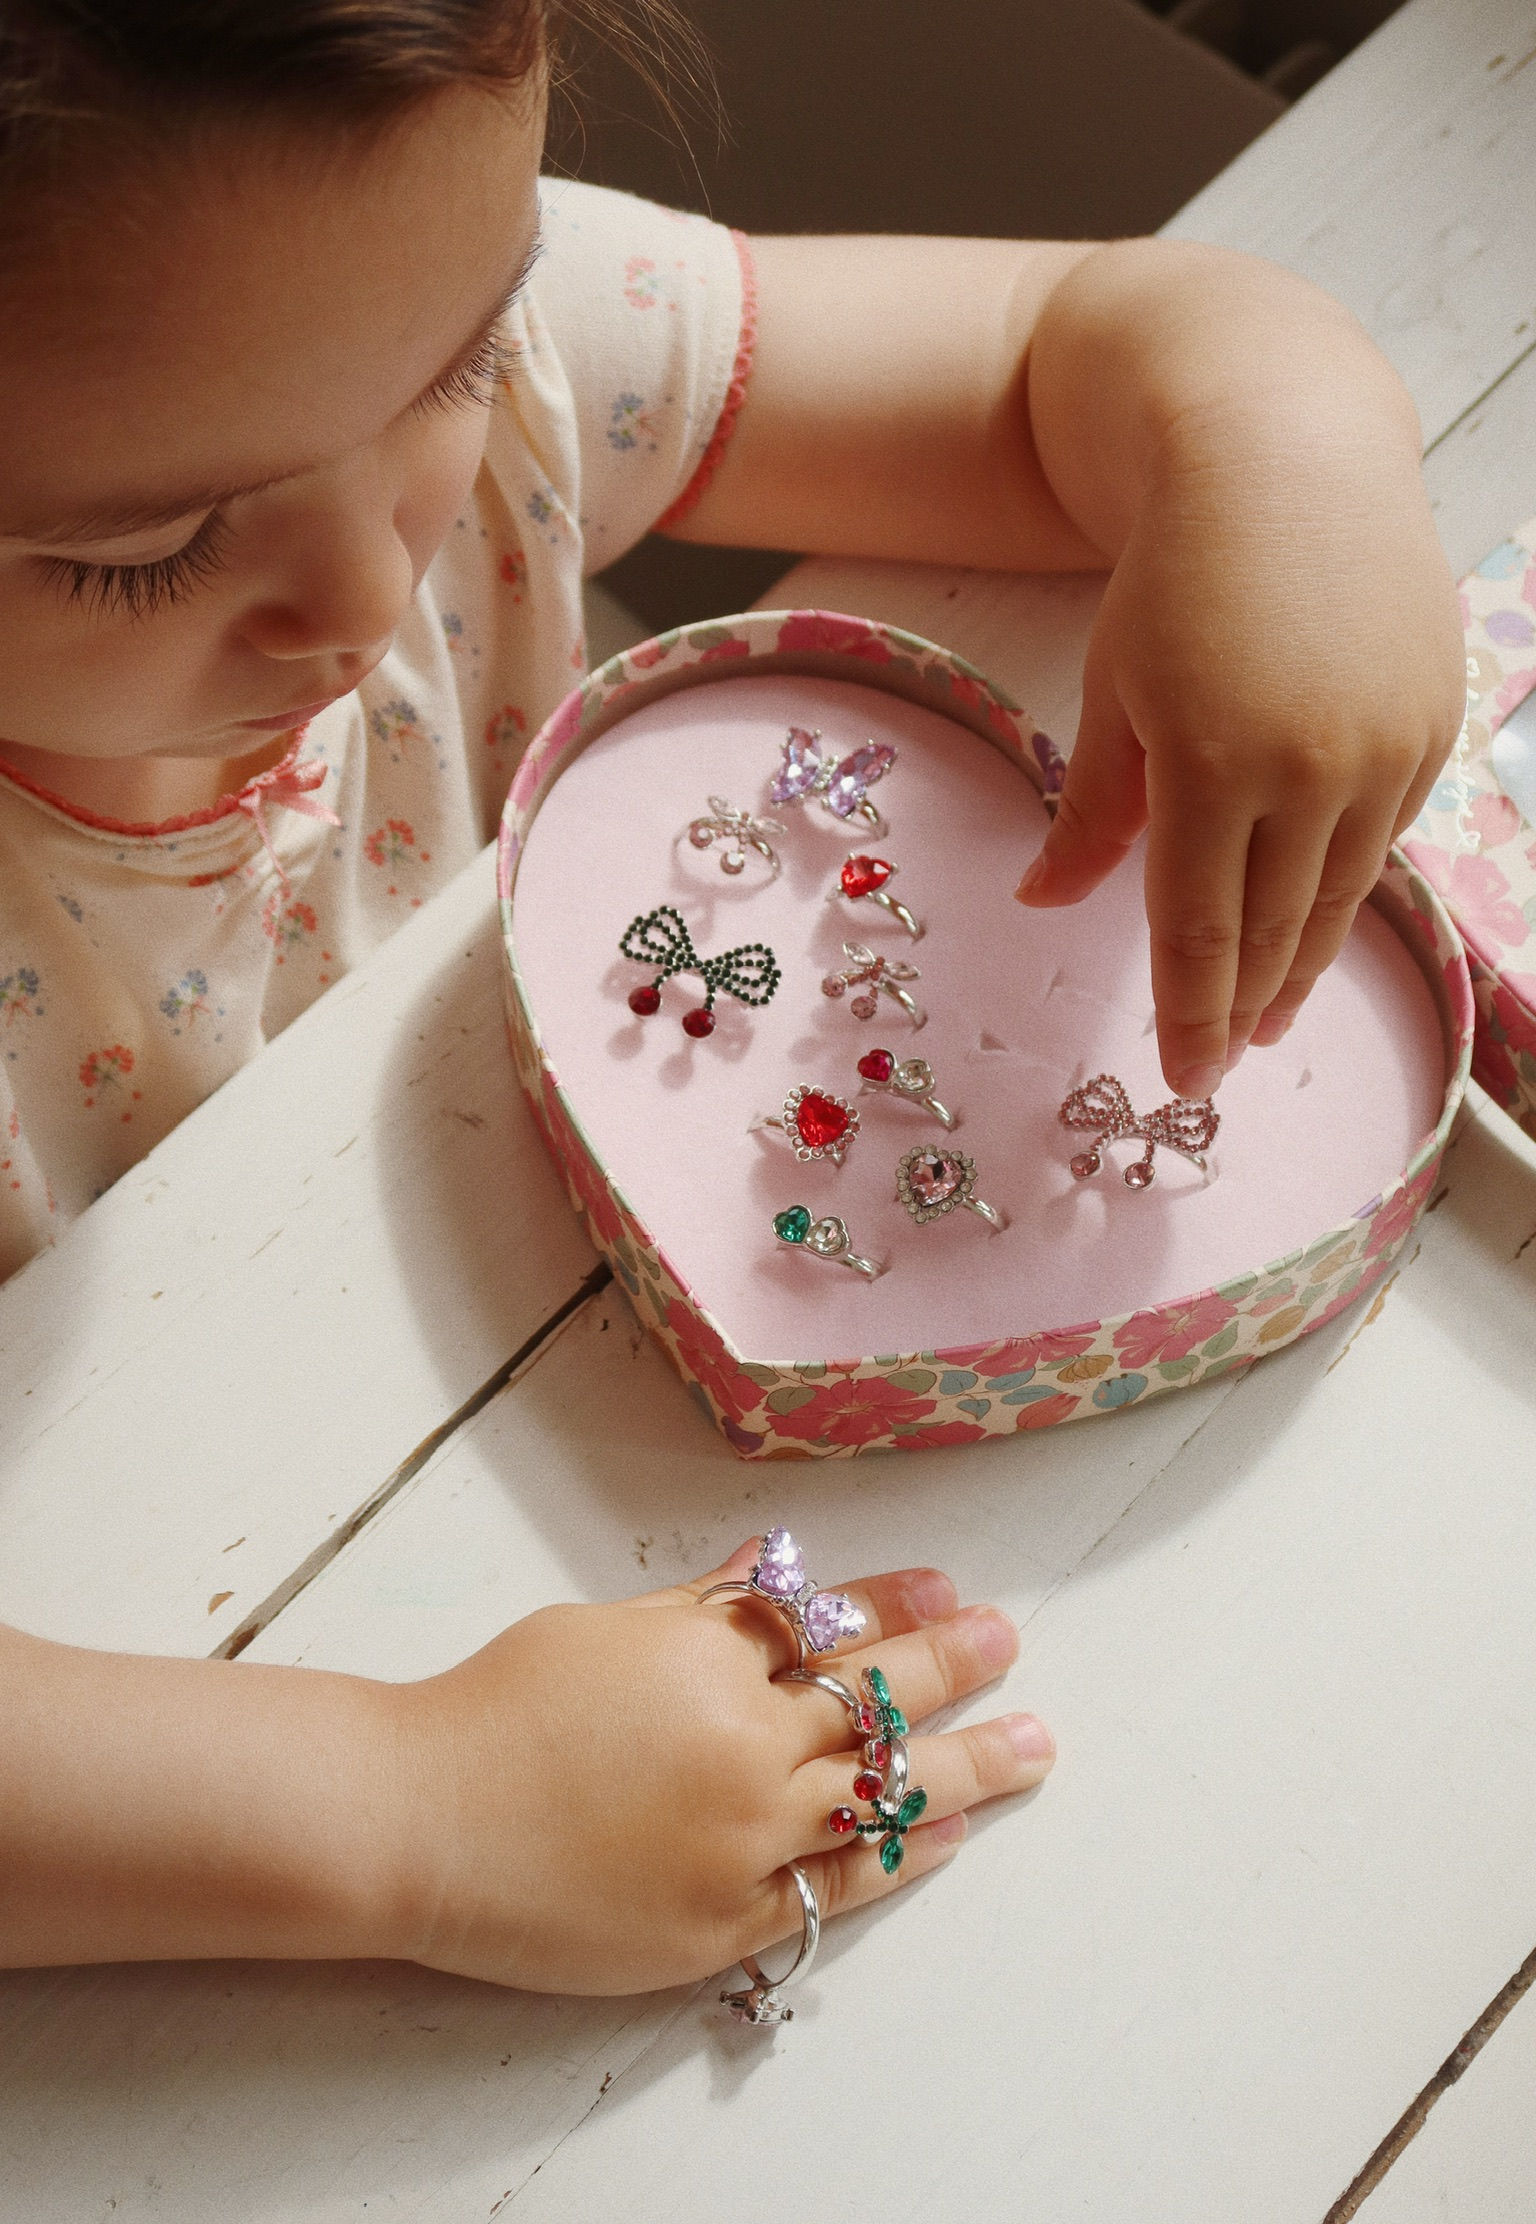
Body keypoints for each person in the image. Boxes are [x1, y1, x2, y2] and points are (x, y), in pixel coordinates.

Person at [0, 0, 1461, 1990]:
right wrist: (407, 1815)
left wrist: (1288, 460)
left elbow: (1064, 349)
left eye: (455, 365)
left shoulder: (421, 324)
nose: (365, 594)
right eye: (143, 552)